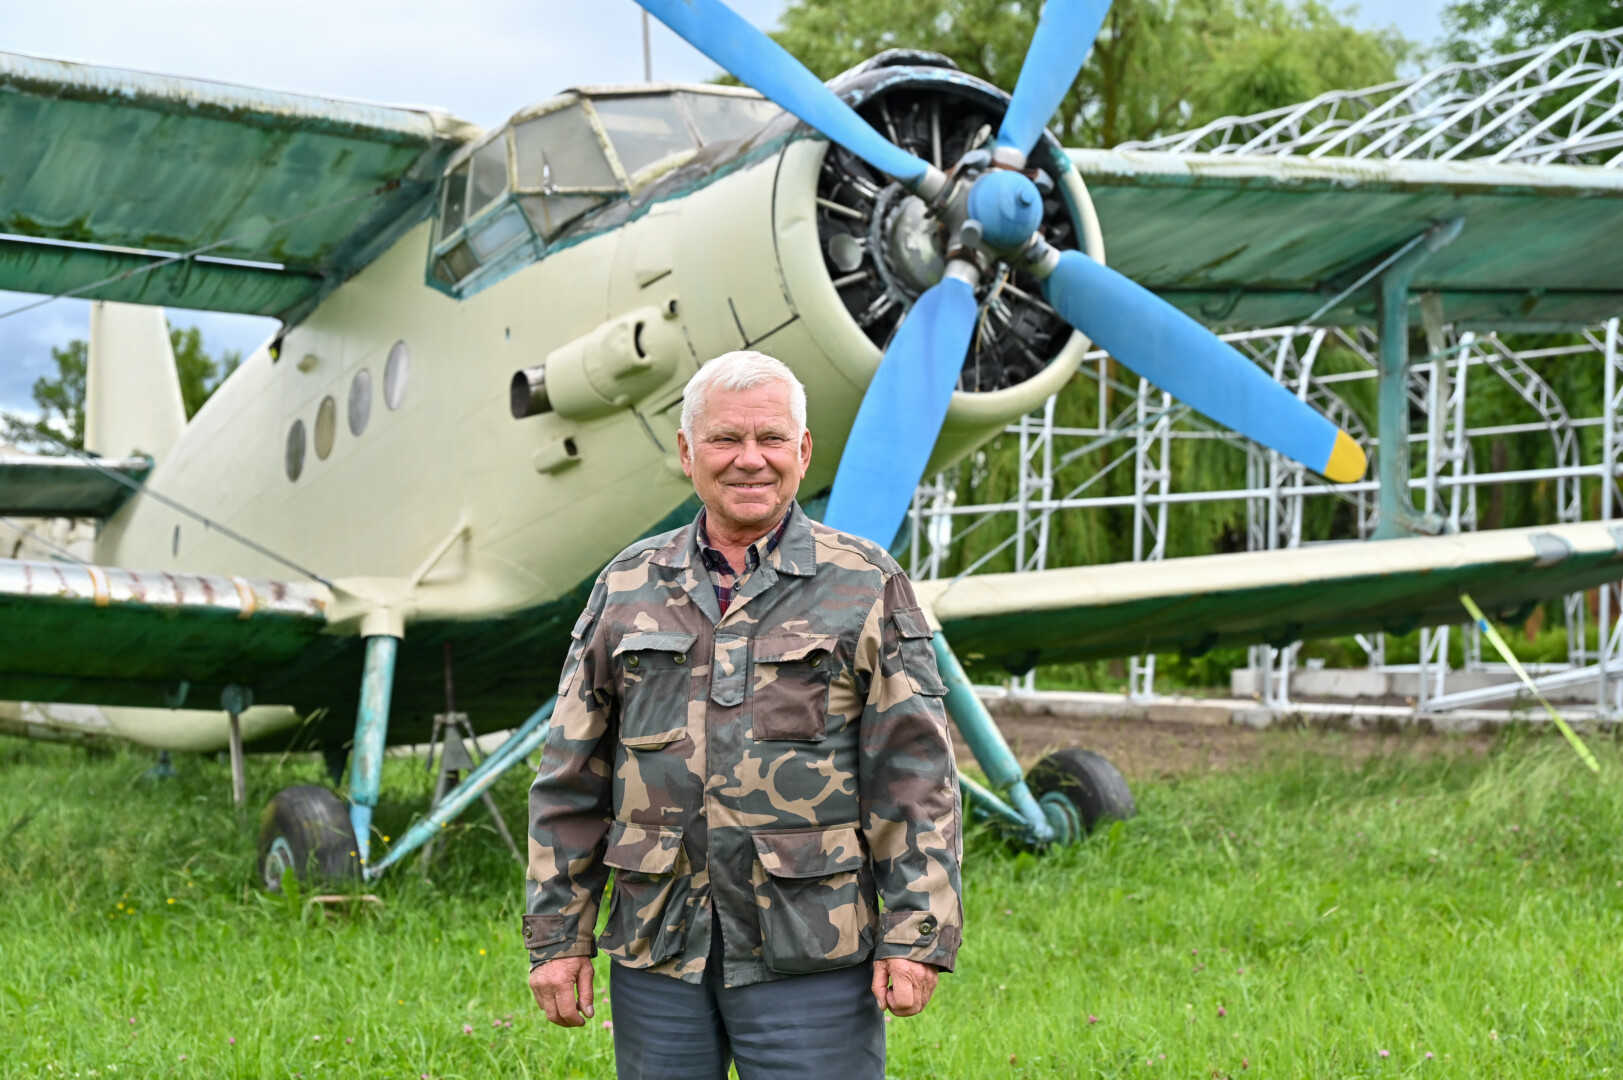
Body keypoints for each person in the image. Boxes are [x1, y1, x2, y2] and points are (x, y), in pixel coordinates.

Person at [523, 349, 963, 1079]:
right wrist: (557, 936)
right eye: (726, 440)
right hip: (659, 945)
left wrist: (915, 935)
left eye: (771, 439)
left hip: (811, 950)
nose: (749, 460)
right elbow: (570, 773)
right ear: (688, 453)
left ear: (803, 450)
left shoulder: (863, 582)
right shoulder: (627, 585)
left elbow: (915, 775)